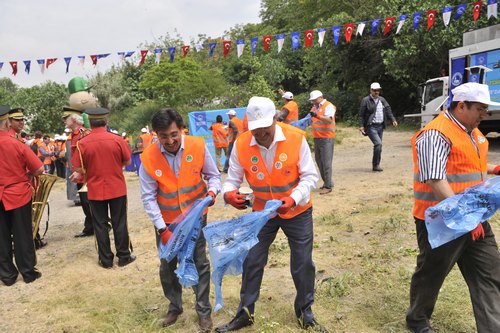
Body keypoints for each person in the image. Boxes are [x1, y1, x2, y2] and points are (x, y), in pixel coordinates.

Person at [216, 97, 327, 333]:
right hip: (262, 214)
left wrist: (292, 198)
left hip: (296, 210)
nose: (260, 134)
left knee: (302, 262)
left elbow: (310, 177)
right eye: (254, 129)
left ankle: (305, 312)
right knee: (252, 260)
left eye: (264, 128)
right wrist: (228, 195)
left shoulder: (295, 138)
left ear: (275, 119)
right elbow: (232, 180)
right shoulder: (242, 143)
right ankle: (245, 314)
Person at [406, 82, 500, 333]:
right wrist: (467, 220)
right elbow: (436, 180)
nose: (484, 115)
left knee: (490, 273)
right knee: (432, 273)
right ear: (461, 106)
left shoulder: (473, 131)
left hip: (474, 216)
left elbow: (464, 166)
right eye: (480, 109)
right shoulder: (435, 134)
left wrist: (492, 169)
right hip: (442, 221)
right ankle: (417, 319)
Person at [139, 108, 220, 332]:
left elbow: (213, 176)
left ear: (181, 129)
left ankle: (203, 310)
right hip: (168, 222)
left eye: (174, 134)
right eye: (163, 136)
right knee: (167, 266)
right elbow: (147, 197)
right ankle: (175, 306)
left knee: (200, 263)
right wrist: (162, 228)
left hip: (196, 219)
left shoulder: (197, 146)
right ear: (156, 134)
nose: (170, 140)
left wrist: (212, 193)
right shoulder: (148, 157)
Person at [70, 107, 135, 268]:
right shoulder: (118, 140)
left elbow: (78, 168)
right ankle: (124, 256)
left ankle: (105, 259)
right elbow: (127, 162)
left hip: (95, 189)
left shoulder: (82, 143)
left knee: (100, 225)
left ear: (90, 123)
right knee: (120, 222)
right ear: (106, 121)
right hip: (117, 187)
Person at [0, 105, 44, 286]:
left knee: (1, 237)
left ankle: (7, 276)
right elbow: (40, 169)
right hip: (18, 194)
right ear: (6, 123)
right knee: (23, 234)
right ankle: (27, 272)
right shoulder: (16, 143)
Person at [63, 106, 94, 237]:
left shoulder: (84, 133)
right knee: (85, 203)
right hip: (79, 176)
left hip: (86, 176)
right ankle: (90, 227)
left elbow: (89, 156)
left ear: (74, 119)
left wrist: (81, 172)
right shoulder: (74, 135)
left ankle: (100, 225)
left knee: (89, 203)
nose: (64, 120)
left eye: (66, 117)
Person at [358, 82, 397, 172]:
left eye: (378, 90)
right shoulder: (366, 100)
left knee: (379, 146)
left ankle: (376, 164)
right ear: (371, 90)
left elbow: (388, 110)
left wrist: (393, 120)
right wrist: (361, 126)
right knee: (378, 144)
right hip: (371, 126)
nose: (376, 92)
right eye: (375, 90)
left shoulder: (382, 99)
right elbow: (361, 115)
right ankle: (376, 165)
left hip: (380, 126)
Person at [309, 90, 336, 195]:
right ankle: (327, 182)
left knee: (326, 162)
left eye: (314, 100)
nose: (313, 102)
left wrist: (317, 116)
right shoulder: (315, 107)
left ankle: (328, 186)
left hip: (326, 138)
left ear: (320, 97)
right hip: (317, 137)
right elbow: (311, 119)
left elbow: (329, 120)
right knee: (319, 161)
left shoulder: (328, 106)